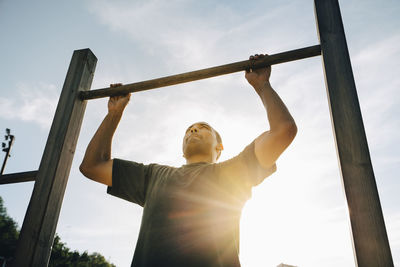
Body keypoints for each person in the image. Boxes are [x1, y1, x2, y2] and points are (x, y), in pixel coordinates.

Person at [80, 54, 297, 267]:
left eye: (203, 128)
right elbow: (92, 166)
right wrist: (114, 114)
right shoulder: (153, 176)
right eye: (188, 130)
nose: (193, 129)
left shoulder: (233, 172)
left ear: (219, 148)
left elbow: (283, 130)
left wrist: (262, 85)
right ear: (182, 150)